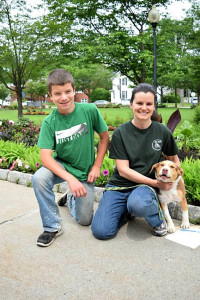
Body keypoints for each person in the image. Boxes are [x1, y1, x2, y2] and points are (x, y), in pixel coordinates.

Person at [91, 83, 181, 240]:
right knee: (101, 231)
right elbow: (123, 170)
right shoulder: (121, 133)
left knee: (140, 203)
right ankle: (127, 211)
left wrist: (176, 181)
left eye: (149, 104)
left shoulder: (162, 131)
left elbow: (173, 158)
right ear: (131, 104)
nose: (144, 108)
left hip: (144, 187)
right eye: (139, 103)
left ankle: (158, 221)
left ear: (154, 106)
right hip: (120, 185)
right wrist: (156, 183)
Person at [33, 69, 109, 247]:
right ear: (50, 96)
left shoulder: (89, 110)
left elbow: (105, 138)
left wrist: (97, 166)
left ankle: (69, 199)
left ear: (74, 90)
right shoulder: (49, 122)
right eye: (57, 93)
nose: (64, 97)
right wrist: (70, 179)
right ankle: (52, 226)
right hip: (63, 167)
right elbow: (46, 158)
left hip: (84, 170)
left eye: (67, 91)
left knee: (85, 220)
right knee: (39, 178)